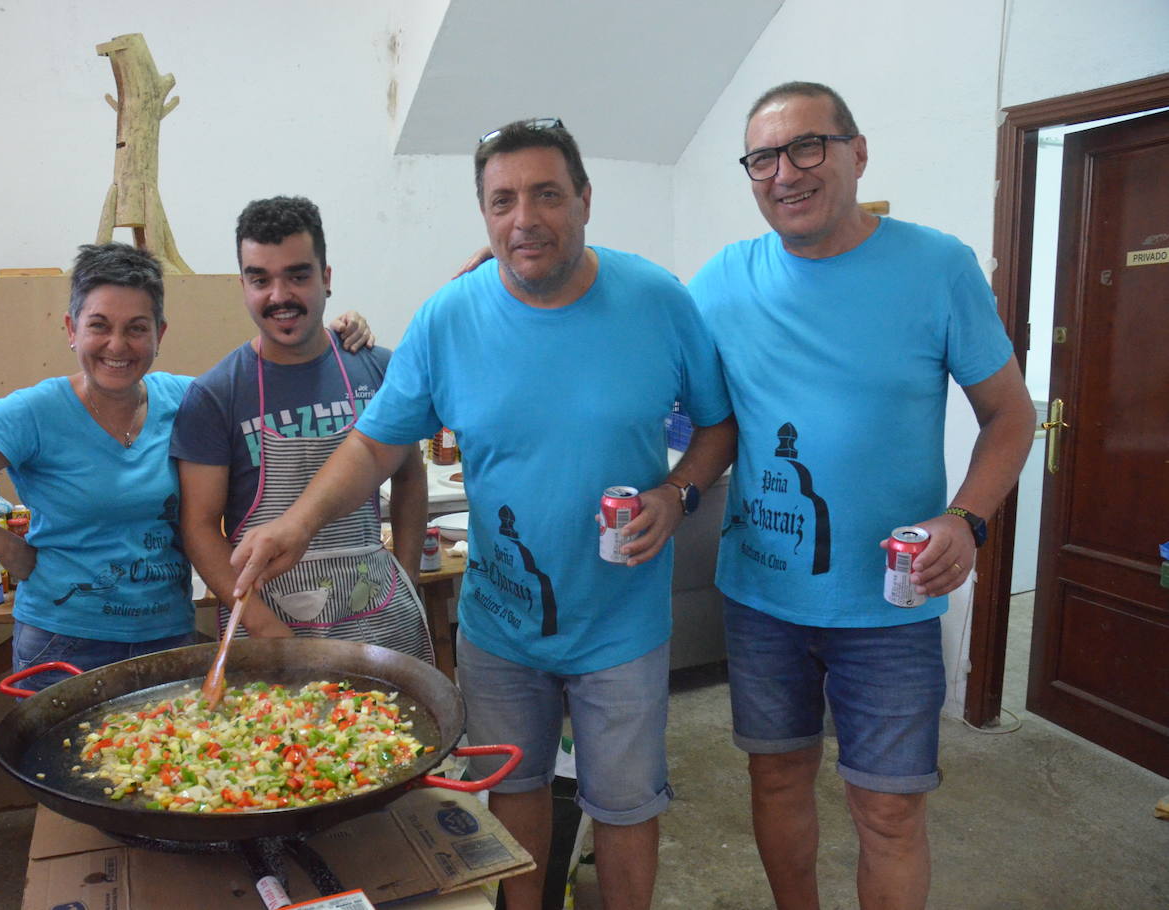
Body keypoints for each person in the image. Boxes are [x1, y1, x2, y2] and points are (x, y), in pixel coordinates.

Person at [228, 120, 737, 910]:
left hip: (623, 620)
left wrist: (678, 495)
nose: (524, 218)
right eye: (503, 200)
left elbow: (717, 425)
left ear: (585, 201)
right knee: (516, 791)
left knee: (627, 805)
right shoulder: (449, 317)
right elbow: (372, 447)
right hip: (501, 625)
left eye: (546, 194)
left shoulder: (658, 301)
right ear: (484, 213)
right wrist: (294, 526)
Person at [686, 82, 1036, 909]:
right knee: (775, 783)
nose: (785, 173)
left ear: (857, 151)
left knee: (886, 810)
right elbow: (625, 329)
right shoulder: (723, 279)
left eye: (807, 147)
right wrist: (492, 281)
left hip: (888, 603)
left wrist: (965, 517)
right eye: (763, 158)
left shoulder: (935, 266)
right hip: (763, 595)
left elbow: (1011, 417)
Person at [0, 242, 375, 693]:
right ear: (72, 329)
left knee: (164, 785)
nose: (118, 345)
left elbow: (272, 375)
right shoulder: (33, 413)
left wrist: (331, 333)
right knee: (65, 785)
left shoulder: (190, 400)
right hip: (65, 641)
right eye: (99, 325)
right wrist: (9, 550)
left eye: (137, 328)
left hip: (169, 634)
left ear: (159, 334)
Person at [170, 196, 432, 660]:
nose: (279, 295)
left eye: (298, 275)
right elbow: (199, 528)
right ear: (243, 285)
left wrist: (408, 574)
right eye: (260, 279)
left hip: (378, 616)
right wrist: (265, 628)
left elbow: (409, 473)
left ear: (326, 278)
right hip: (267, 621)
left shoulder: (376, 368)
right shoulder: (216, 395)